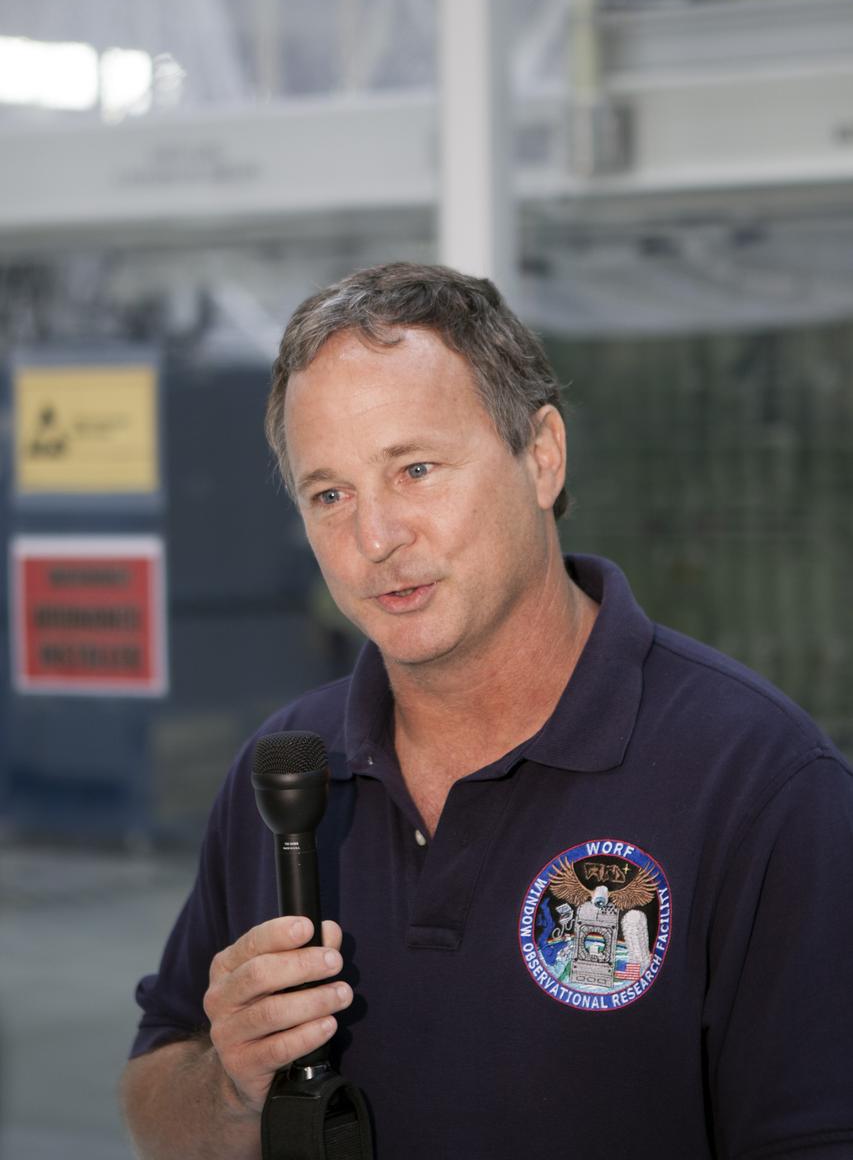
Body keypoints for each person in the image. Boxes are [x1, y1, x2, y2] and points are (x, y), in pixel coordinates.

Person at [122, 262, 853, 1160]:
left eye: (417, 469)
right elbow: (157, 1093)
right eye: (330, 494)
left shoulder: (765, 787)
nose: (375, 538)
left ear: (540, 455)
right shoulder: (286, 773)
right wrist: (232, 1084)